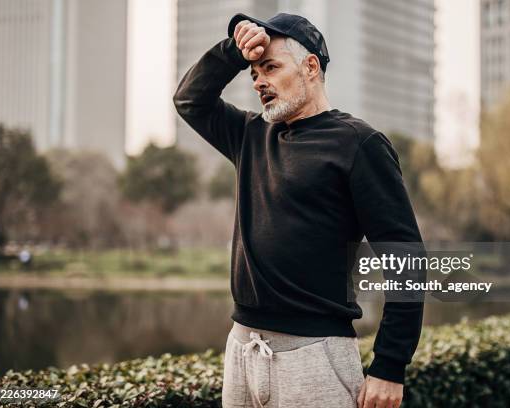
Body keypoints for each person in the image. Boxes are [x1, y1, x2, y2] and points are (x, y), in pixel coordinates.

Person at [173, 12, 424, 408]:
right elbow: (189, 100)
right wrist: (234, 52)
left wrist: (390, 366)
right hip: (242, 345)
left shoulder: (359, 143)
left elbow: (405, 258)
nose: (258, 81)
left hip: (316, 352)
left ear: (310, 67)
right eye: (254, 72)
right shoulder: (250, 135)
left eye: (270, 67)